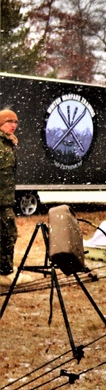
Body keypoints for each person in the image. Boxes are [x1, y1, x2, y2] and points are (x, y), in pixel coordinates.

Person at [0, 110, 19, 290]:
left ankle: (4, 271)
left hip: (5, 200)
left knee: (7, 235)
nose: (13, 125)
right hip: (1, 202)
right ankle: (4, 272)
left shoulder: (8, 143)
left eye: (15, 122)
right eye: (9, 121)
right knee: (8, 235)